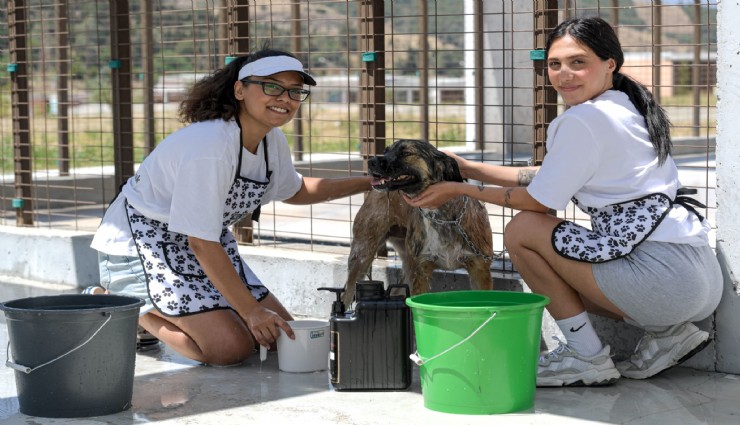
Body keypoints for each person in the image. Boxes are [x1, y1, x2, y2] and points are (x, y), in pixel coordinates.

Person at [403, 16, 722, 387]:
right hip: (699, 279)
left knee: (523, 230)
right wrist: (467, 167)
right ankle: (669, 334)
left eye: (578, 62)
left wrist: (459, 189)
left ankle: (585, 355)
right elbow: (551, 175)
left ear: (609, 64)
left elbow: (537, 202)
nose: (563, 74)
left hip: (660, 280)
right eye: (554, 64)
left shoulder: (583, 120)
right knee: (566, 260)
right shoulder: (626, 106)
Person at [89, 48, 372, 366]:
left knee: (282, 336)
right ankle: (123, 306)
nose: (285, 97)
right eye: (271, 86)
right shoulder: (209, 146)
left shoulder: (270, 139)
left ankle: (172, 313)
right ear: (239, 90)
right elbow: (201, 242)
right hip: (142, 246)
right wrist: (250, 310)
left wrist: (369, 183)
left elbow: (295, 190)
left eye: (295, 91)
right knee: (229, 349)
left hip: (202, 245)